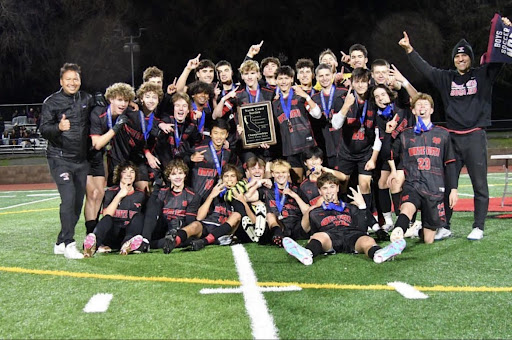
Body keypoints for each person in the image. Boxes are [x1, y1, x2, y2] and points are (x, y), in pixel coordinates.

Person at [398, 19, 511, 240]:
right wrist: (410, 50)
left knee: (480, 184)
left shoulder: (483, 75)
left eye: (464, 55)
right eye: (457, 56)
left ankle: (478, 226)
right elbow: (426, 69)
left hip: (475, 136)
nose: (460, 59)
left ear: (470, 57)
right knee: (448, 184)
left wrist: (505, 29)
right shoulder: (446, 78)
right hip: (452, 139)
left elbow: (499, 57)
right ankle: (445, 225)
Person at [282, 172, 406, 266]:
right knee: (319, 236)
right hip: (329, 236)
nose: (329, 191)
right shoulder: (314, 211)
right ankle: (307, 254)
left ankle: (379, 254)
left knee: (367, 240)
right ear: (319, 191)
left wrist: (362, 206)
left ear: (337, 188)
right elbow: (302, 232)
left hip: (352, 235)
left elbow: (362, 229)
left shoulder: (350, 207)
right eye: (324, 188)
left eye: (331, 187)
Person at [382, 93, 458, 244]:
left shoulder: (443, 134)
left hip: (435, 188)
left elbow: (450, 163)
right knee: (407, 208)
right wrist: (388, 134)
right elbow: (387, 154)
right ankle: (399, 231)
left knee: (428, 240)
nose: (422, 107)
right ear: (413, 110)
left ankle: (418, 230)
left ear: (431, 110)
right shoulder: (405, 134)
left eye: (426, 105)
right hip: (413, 184)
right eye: (418, 105)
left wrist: (453, 190)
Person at [40, 63, 94, 259]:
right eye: (68, 79)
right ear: (61, 81)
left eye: (76, 79)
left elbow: (103, 112)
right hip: (59, 158)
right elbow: (44, 129)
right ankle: (70, 243)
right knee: (68, 197)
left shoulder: (87, 99)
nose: (72, 82)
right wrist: (59, 128)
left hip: (81, 160)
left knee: (78, 203)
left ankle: (60, 241)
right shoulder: (51, 102)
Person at [162, 164, 256, 252]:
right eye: (226, 176)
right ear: (222, 179)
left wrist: (242, 200)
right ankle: (174, 241)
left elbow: (253, 221)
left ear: (237, 179)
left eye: (232, 176)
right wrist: (211, 196)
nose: (229, 179)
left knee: (236, 215)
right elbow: (199, 217)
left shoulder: (240, 194)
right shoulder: (214, 192)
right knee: (195, 225)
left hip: (225, 230)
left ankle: (204, 242)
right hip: (208, 226)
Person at [85, 82, 133, 234]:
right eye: (119, 99)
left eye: (125, 100)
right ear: (111, 99)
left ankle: (95, 235)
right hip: (83, 155)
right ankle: (90, 235)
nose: (123, 104)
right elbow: (97, 144)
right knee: (92, 194)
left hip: (98, 157)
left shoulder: (121, 114)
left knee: (99, 194)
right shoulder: (98, 113)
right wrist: (116, 128)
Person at [83, 162, 146, 257]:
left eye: (132, 172)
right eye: (125, 172)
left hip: (129, 233)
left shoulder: (141, 195)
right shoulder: (110, 192)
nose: (129, 175)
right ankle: (93, 245)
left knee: (139, 217)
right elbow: (106, 214)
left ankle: (127, 245)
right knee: (107, 218)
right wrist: (119, 196)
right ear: (119, 174)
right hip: (112, 233)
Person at [138, 159, 201, 253]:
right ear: (169, 177)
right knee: (150, 210)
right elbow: (151, 212)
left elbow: (190, 221)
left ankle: (154, 244)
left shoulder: (193, 196)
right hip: (161, 228)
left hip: (177, 230)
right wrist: (155, 190)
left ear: (185, 175)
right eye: (174, 174)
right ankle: (146, 240)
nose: (178, 177)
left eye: (180, 173)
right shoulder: (162, 192)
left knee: (185, 236)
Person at [272, 65, 321, 182]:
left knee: (313, 179)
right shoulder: (275, 103)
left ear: (292, 79)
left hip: (307, 144)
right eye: (280, 78)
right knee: (297, 182)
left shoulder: (300, 96)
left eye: (286, 78)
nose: (283, 82)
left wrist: (306, 96)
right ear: (276, 81)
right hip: (290, 147)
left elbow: (317, 114)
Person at [264, 160, 311, 246]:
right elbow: (248, 197)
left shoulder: (297, 189)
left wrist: (294, 196)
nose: (280, 175)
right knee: (270, 215)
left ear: (288, 174)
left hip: (297, 225)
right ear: (273, 174)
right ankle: (278, 236)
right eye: (277, 172)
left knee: (310, 210)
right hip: (279, 224)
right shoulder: (268, 191)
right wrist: (258, 183)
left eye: (283, 172)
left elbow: (306, 211)